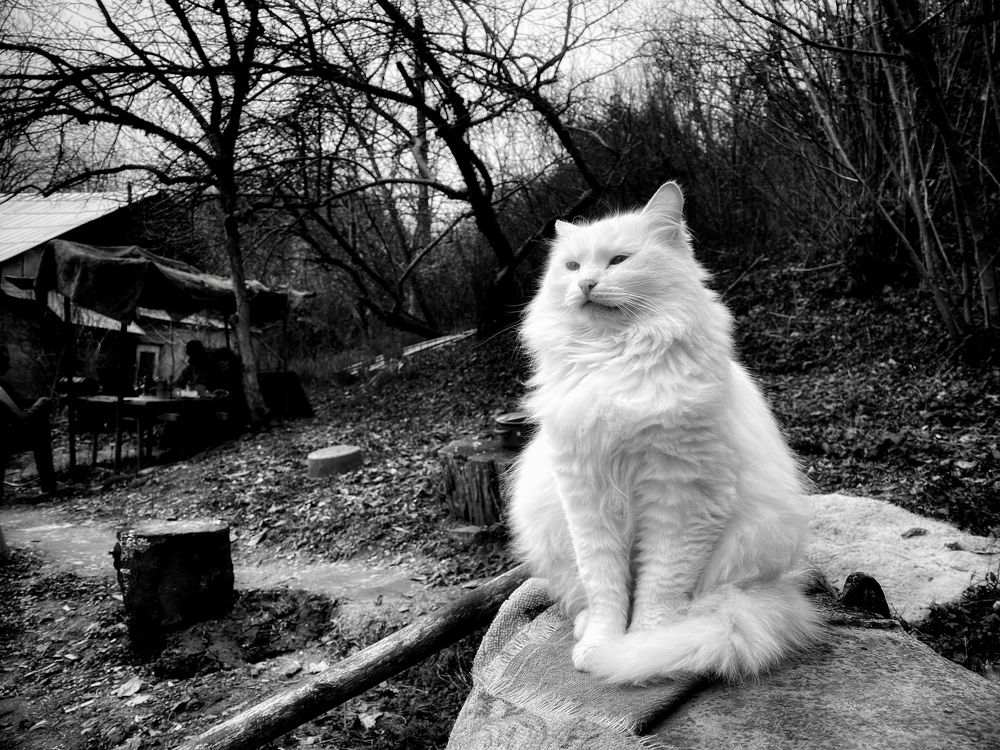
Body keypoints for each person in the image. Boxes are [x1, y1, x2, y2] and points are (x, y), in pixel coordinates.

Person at [0, 344, 57, 495]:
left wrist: (36, 403)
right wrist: (40, 405)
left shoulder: (3, 386)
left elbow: (18, 404)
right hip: (5, 441)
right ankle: (48, 486)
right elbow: (21, 419)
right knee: (41, 433)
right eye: (5, 361)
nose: (9, 366)